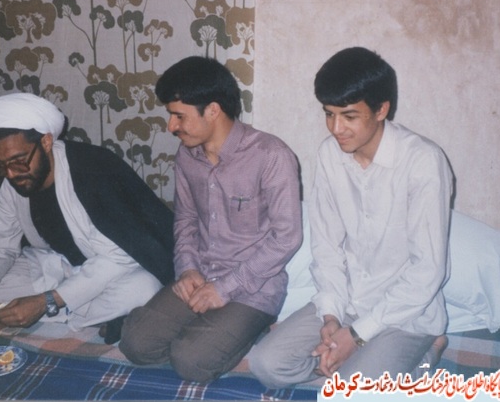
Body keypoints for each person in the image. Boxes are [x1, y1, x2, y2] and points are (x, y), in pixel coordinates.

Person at [248, 47, 453, 387]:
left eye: (349, 116)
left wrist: (356, 336)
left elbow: (427, 271)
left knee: (348, 390)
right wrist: (331, 316)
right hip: (349, 302)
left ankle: (427, 354)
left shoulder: (423, 161)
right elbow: (326, 247)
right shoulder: (330, 155)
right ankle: (347, 366)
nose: (336, 128)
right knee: (265, 364)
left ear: (381, 109)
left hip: (405, 314)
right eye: (329, 114)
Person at [118, 56, 303, 383]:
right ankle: (210, 329)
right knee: (135, 343)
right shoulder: (187, 156)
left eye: (179, 116)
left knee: (190, 361)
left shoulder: (271, 155)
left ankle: (248, 327)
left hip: (254, 287)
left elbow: (287, 238)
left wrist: (225, 289)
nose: (171, 126)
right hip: (202, 274)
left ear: (213, 110)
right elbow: (186, 220)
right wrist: (187, 268)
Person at [0, 93, 174, 344]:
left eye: (18, 161)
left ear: (46, 142)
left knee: (144, 289)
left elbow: (121, 256)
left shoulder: (94, 169)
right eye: (0, 164)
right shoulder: (10, 178)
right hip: (55, 265)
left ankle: (61, 310)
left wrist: (48, 301)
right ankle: (92, 314)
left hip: (112, 267)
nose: (10, 174)